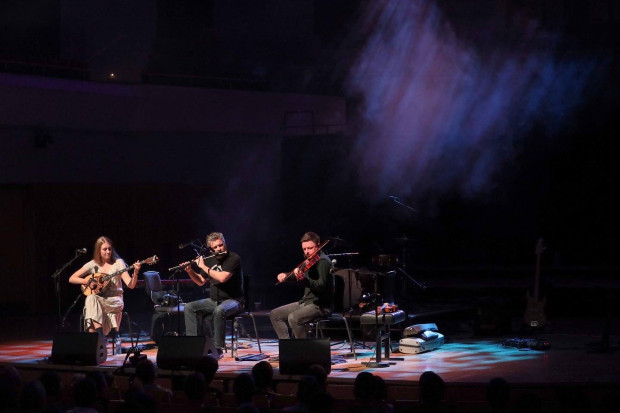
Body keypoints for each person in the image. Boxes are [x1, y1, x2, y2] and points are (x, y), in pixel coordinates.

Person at [183, 232, 243, 357]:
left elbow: (222, 278)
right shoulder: (210, 260)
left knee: (219, 310)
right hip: (214, 300)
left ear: (225, 243)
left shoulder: (234, 258)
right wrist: (190, 271)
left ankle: (217, 349)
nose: (219, 249)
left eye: (221, 245)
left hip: (234, 300)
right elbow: (200, 281)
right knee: (189, 307)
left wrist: (203, 267)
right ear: (211, 249)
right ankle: (193, 345)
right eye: (215, 247)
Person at [68, 236, 141, 337]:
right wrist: (86, 281)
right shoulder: (93, 264)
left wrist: (136, 272)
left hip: (114, 301)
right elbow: (72, 278)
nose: (108, 252)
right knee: (91, 298)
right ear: (98, 250)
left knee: (90, 306)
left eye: (109, 249)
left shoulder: (118, 263)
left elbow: (131, 285)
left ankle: (97, 340)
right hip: (98, 300)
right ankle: (99, 338)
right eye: (104, 249)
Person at [270, 232, 334, 339]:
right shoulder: (309, 261)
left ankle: (303, 350)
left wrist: (304, 279)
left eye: (310, 248)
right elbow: (297, 275)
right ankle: (288, 347)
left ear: (318, 245)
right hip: (307, 302)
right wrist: (284, 276)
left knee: (294, 318)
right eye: (304, 249)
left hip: (321, 305)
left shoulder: (323, 262)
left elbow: (320, 286)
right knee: (275, 315)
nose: (307, 252)